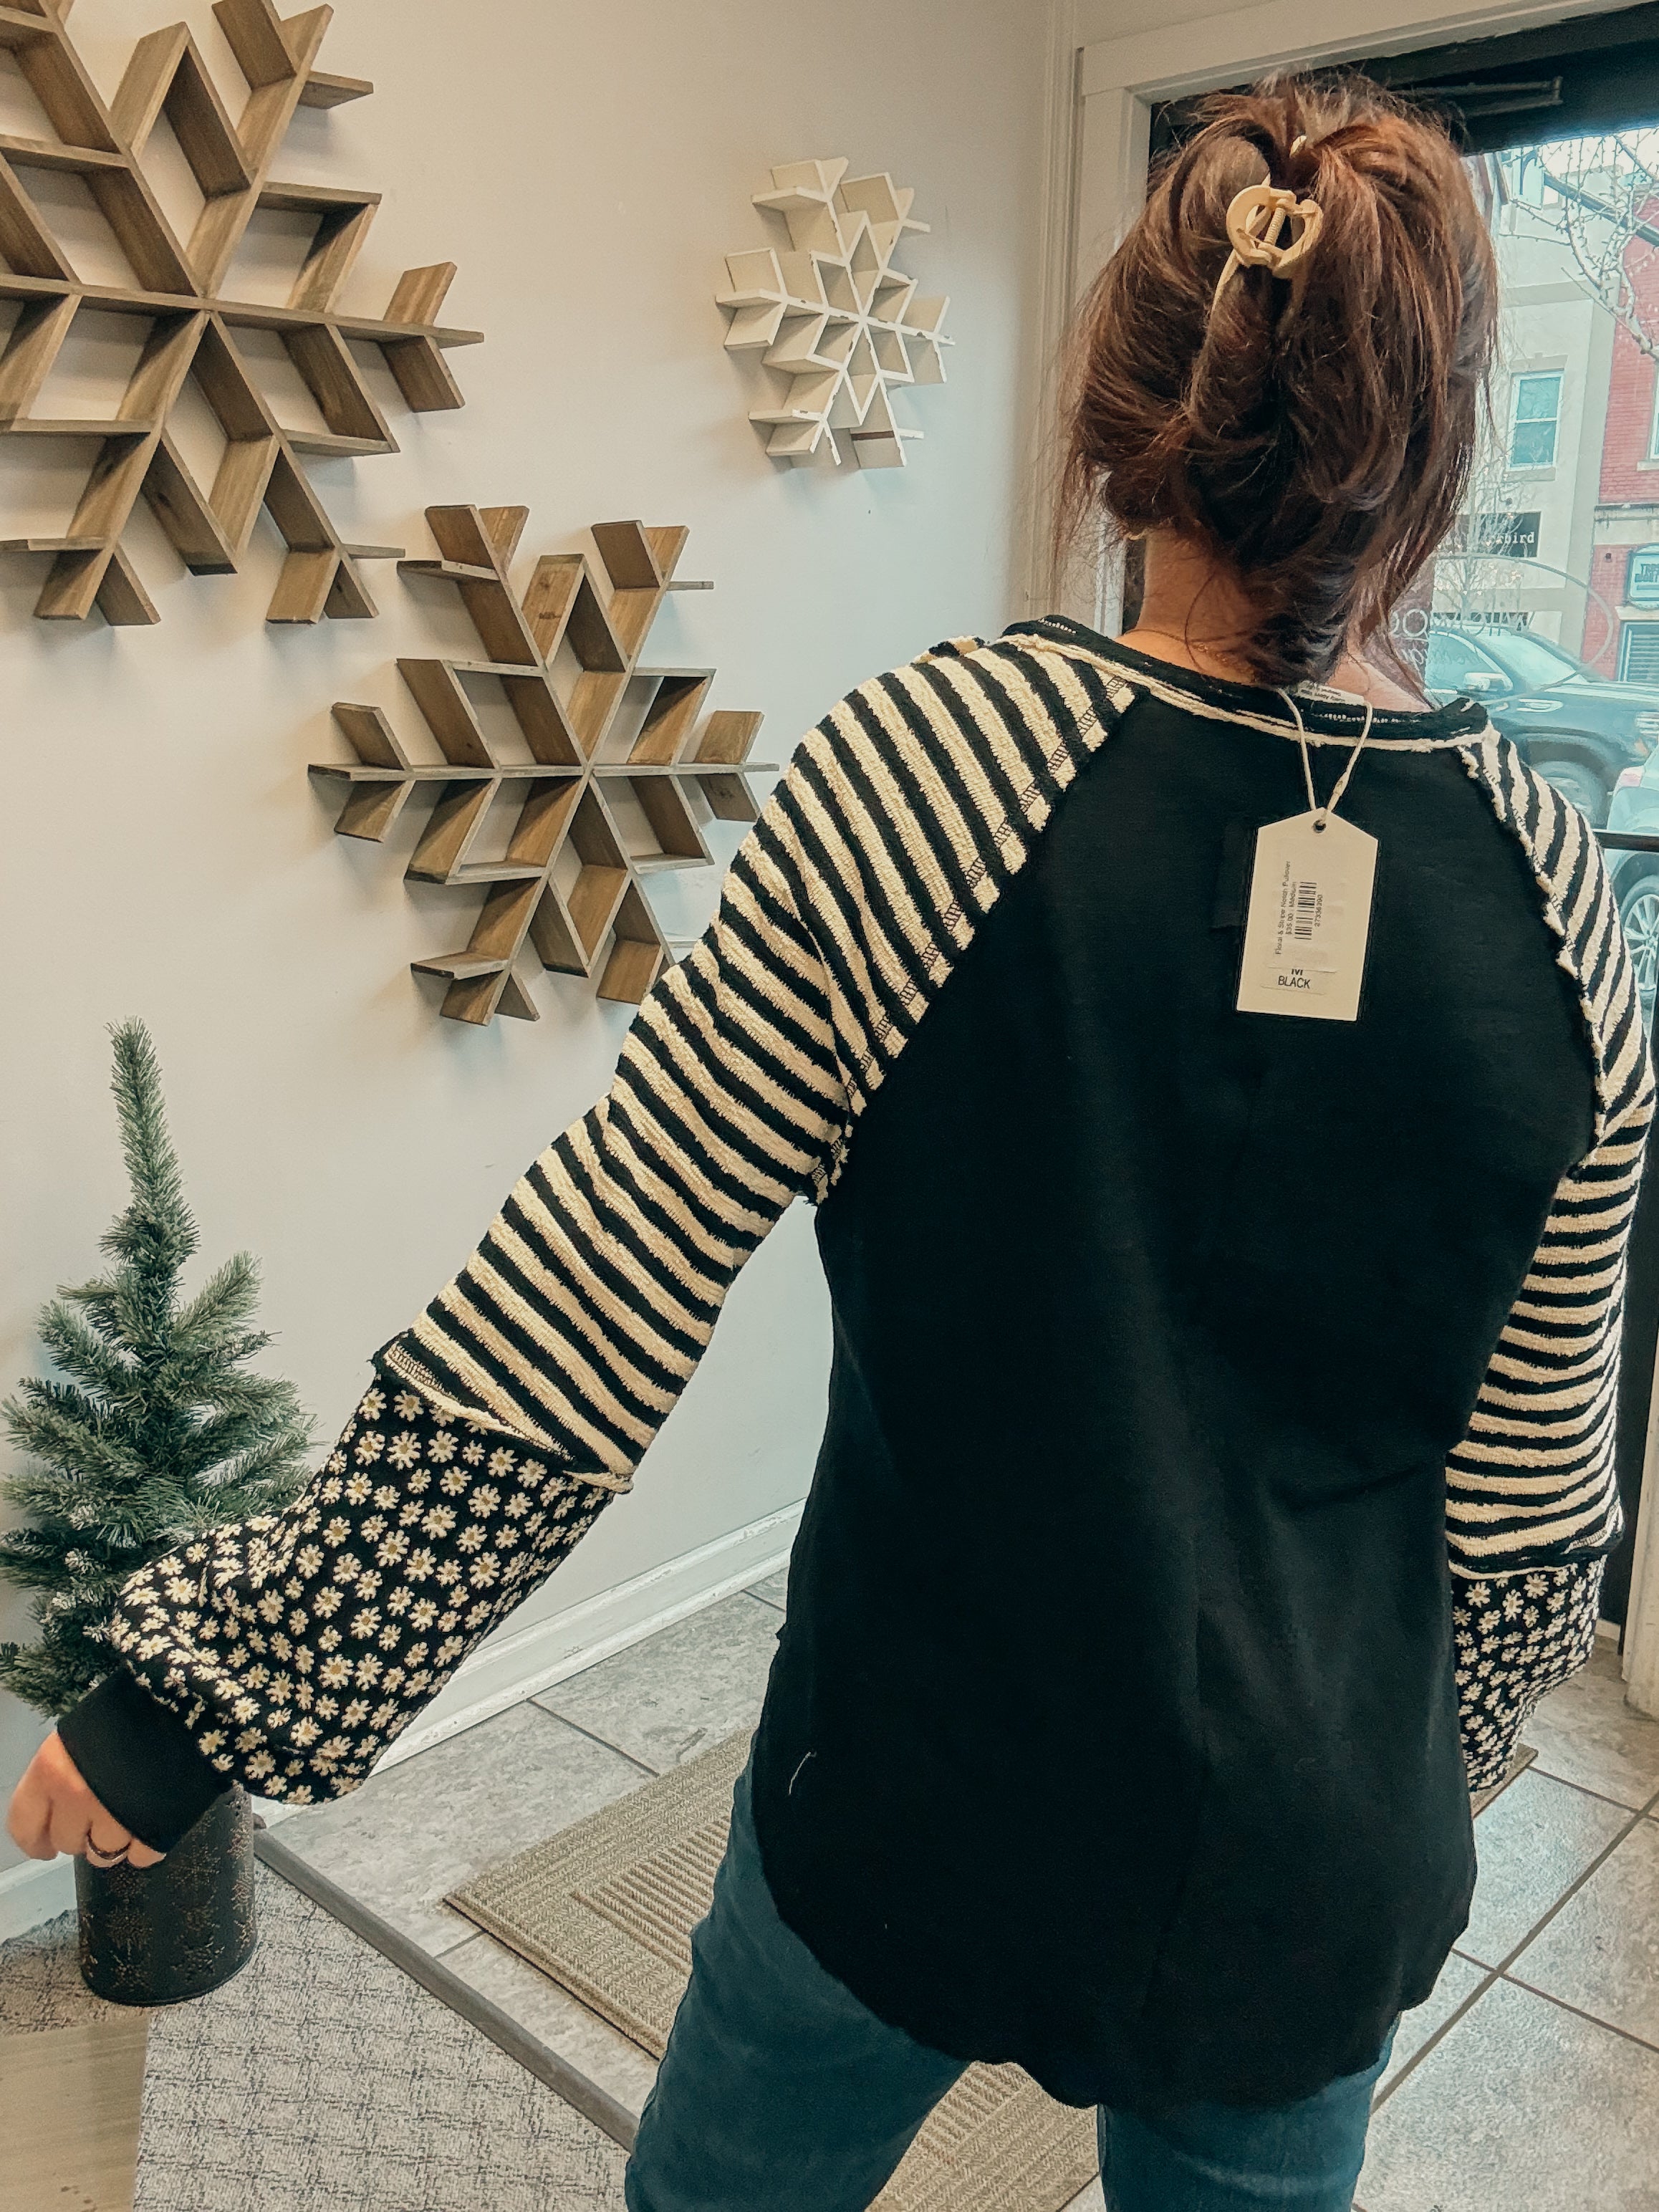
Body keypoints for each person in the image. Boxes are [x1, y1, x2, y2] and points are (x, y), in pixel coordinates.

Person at [9, 74, 1652, 2212]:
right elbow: (1529, 1533)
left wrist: (208, 1697)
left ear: (1122, 413)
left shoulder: (938, 771)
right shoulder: (1560, 903)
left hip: (911, 1790)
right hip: (1299, 1873)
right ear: (1432, 446)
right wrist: (1388, 1787)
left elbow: (578, 1312)